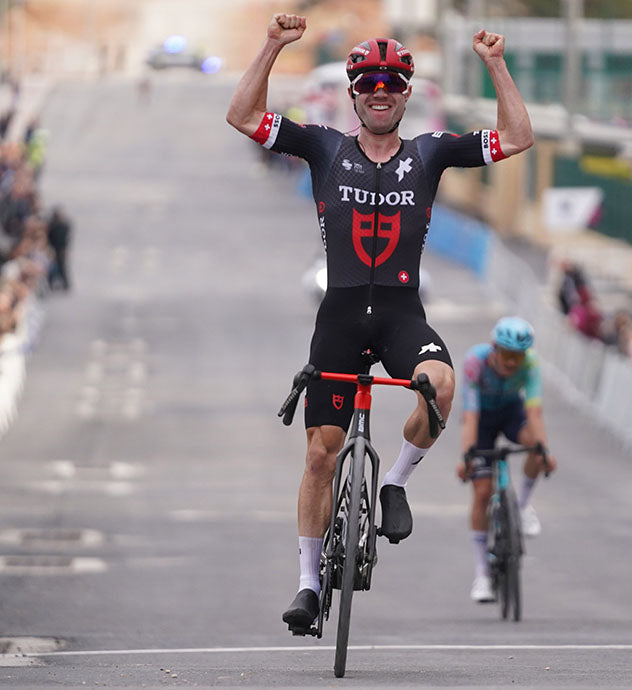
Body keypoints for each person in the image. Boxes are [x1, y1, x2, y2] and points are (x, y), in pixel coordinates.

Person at [227, 13, 534, 629]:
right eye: (368, 83)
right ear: (353, 94)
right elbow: (241, 115)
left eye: (392, 84)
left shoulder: (431, 153)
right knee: (321, 454)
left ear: (405, 96)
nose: (380, 92)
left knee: (442, 383)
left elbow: (518, 137)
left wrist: (495, 64)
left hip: (399, 312)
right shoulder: (322, 145)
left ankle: (393, 482)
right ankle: (309, 585)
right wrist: (272, 45)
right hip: (339, 313)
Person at [458, 316, 556, 603]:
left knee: (536, 448)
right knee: (482, 493)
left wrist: (545, 451)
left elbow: (534, 411)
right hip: (483, 420)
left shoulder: (530, 363)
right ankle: (482, 574)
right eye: (507, 355)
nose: (513, 362)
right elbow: (470, 416)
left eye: (518, 355)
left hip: (511, 411)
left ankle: (522, 506)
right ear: (494, 349)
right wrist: (466, 456)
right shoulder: (475, 361)